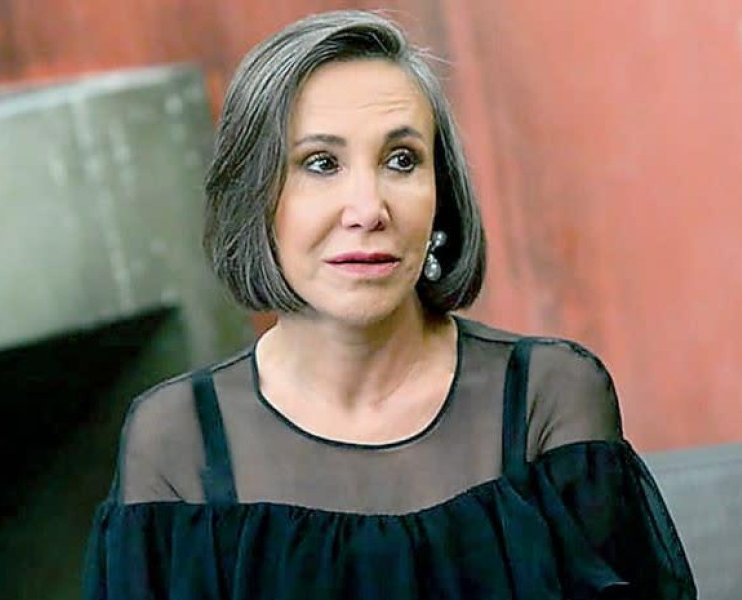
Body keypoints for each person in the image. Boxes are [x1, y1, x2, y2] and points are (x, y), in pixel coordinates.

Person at [83, 10, 696, 600]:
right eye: (320, 163)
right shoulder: (178, 443)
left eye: (401, 160)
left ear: (440, 193)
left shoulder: (549, 399)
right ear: (254, 197)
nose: (368, 209)